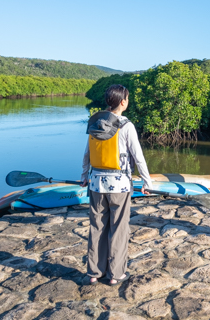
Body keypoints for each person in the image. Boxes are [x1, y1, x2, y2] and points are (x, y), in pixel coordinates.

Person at [81, 84, 153, 285]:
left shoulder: (95, 123)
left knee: (97, 227)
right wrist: (147, 181)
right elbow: (138, 157)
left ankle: (94, 272)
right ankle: (116, 274)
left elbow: (87, 154)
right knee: (119, 229)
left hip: (96, 184)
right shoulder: (126, 125)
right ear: (123, 102)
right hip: (119, 185)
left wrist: (84, 175)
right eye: (127, 98)